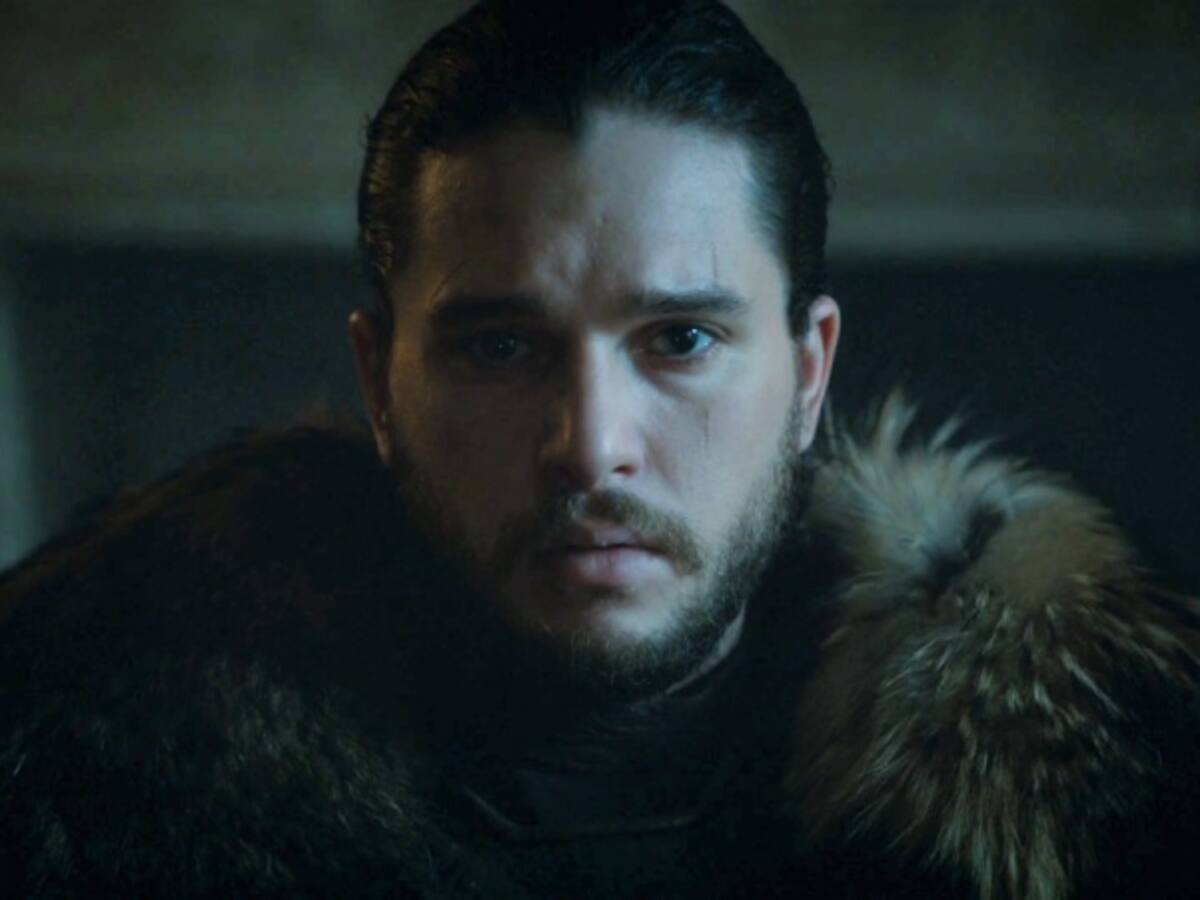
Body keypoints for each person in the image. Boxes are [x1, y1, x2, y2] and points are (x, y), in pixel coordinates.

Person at [1, 1, 1196, 897]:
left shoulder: (1128, 805)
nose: (590, 450)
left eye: (680, 339)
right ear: (379, 386)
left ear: (808, 376)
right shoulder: (63, 782)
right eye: (499, 348)